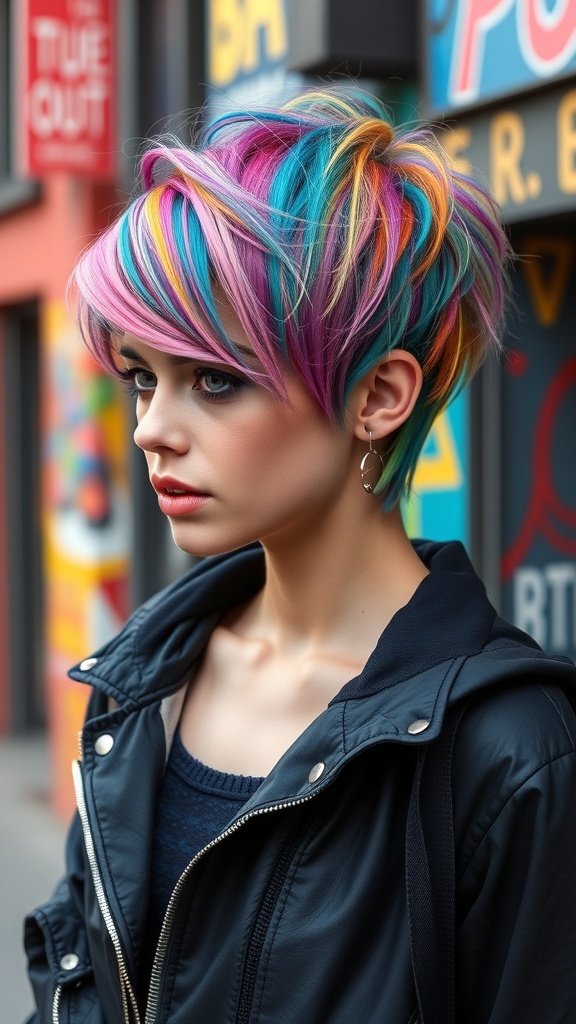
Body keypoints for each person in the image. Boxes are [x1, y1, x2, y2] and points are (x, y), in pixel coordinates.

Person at [24, 89, 576, 1024]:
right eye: (140, 378)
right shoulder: (143, 687)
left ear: (380, 396)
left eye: (213, 380)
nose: (154, 429)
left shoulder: (513, 757)